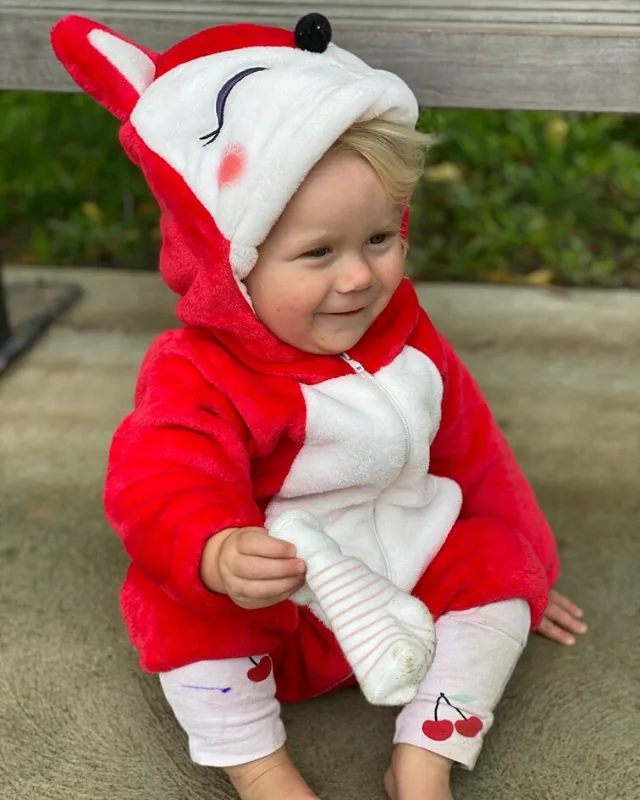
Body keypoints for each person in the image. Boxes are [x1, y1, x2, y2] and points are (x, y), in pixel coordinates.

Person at [52, 12, 587, 800]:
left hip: (403, 570)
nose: (359, 277)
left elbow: (472, 448)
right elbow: (160, 479)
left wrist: (531, 565)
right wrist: (216, 551)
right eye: (318, 253)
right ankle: (263, 771)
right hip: (283, 602)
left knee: (500, 562)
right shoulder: (200, 370)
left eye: (379, 239)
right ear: (231, 263)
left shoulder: (406, 334)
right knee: (180, 608)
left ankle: (426, 755)